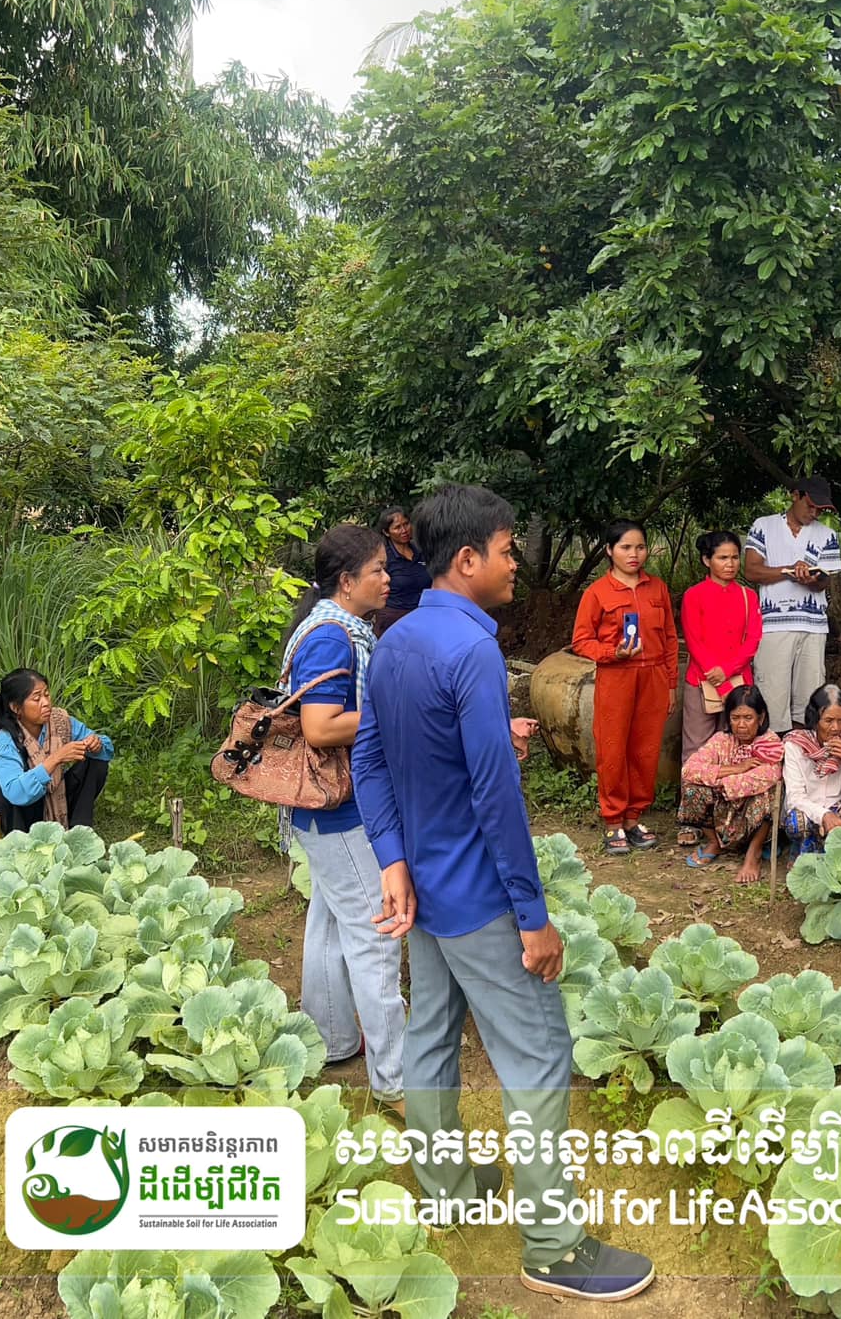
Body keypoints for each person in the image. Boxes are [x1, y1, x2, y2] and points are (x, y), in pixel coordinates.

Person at [352, 484, 653, 1301]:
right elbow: (495, 797)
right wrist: (533, 916)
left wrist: (392, 859)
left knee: (431, 1035)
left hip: (423, 889)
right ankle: (554, 1247)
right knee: (538, 1056)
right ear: (467, 559)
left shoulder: (396, 639)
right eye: (508, 549)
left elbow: (369, 759)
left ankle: (447, 1188)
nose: (516, 562)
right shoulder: (472, 652)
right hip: (479, 896)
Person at [278, 524, 405, 1117]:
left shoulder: (331, 628)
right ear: (347, 581)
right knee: (375, 933)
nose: (388, 577)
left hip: (320, 812)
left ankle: (330, 1038)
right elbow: (320, 726)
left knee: (330, 923)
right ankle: (395, 1079)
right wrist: (394, 710)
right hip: (342, 810)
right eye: (378, 568)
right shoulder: (333, 637)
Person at [572, 520, 679, 855]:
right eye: (626, 547)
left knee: (646, 750)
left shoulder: (657, 588)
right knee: (613, 749)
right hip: (616, 677)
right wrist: (611, 653)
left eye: (640, 547)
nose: (634, 554)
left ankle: (634, 818)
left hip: (653, 678)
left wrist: (671, 683)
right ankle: (613, 820)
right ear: (609, 550)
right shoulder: (597, 593)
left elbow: (670, 638)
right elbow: (581, 641)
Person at [744, 476, 841, 730]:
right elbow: (751, 570)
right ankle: (772, 752)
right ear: (794, 495)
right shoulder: (764, 526)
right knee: (770, 698)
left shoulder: (828, 535)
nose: (814, 513)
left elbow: (825, 582)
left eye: (820, 510)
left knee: (809, 702)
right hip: (774, 626)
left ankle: (800, 751)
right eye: (810, 506)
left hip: (813, 627)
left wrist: (812, 579)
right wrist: (789, 571)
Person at [680, 686, 786, 878]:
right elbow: (689, 770)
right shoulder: (722, 740)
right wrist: (736, 768)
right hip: (723, 816)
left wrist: (718, 779)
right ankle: (715, 842)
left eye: (748, 718)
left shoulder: (769, 743)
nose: (741, 725)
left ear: (761, 718)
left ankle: (754, 852)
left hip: (751, 820)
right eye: (735, 718)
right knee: (692, 788)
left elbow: (767, 775)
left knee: (769, 792)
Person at [0, 670, 112, 832]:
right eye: (37, 699)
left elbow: (104, 748)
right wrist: (56, 758)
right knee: (4, 794)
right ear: (16, 708)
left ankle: (79, 829)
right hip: (27, 808)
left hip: (59, 794)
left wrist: (96, 744)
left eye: (46, 694)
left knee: (96, 762)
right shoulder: (6, 740)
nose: (46, 703)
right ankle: (21, 840)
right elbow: (16, 792)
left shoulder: (59, 721)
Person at [680, 529, 761, 758]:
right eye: (722, 558)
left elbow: (753, 640)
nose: (730, 564)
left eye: (735, 557)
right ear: (707, 560)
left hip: (740, 682)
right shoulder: (694, 595)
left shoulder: (749, 596)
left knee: (736, 748)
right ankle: (694, 784)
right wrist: (722, 683)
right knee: (696, 748)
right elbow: (694, 642)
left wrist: (726, 672)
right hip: (701, 681)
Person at [781, 684, 841, 857]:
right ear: (815, 719)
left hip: (839, 815)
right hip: (808, 813)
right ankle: (806, 854)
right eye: (828, 721)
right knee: (798, 821)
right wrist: (823, 815)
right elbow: (795, 798)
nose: (836, 728)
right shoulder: (795, 746)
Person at [372, 506, 430, 634]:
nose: (404, 530)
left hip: (424, 616)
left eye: (406, 524)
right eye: (397, 527)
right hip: (394, 621)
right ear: (387, 532)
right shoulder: (383, 557)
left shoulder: (421, 550)